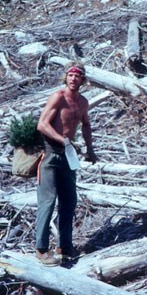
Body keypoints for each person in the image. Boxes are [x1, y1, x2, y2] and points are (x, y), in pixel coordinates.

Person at [34, 62, 98, 266]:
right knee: (48, 200)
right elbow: (42, 124)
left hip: (69, 155)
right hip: (51, 153)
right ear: (66, 77)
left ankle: (65, 246)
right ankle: (41, 248)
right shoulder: (58, 97)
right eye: (70, 75)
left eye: (77, 76)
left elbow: (86, 124)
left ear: (83, 80)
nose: (73, 79)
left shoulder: (82, 102)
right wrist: (62, 140)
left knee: (69, 201)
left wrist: (90, 149)